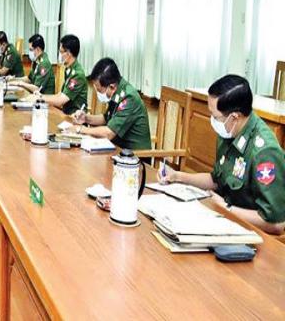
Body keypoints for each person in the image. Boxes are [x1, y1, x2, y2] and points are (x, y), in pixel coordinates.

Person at [158, 75, 285, 235]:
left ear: (235, 117)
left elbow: (276, 224)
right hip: (225, 220)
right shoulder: (229, 131)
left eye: (215, 117)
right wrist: (178, 177)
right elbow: (217, 180)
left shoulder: (264, 152)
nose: (213, 121)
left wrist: (227, 208)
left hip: (251, 233)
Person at [71, 58, 152, 150]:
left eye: (99, 90)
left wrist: (81, 129)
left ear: (112, 87)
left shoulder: (129, 98)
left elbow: (109, 133)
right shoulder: (118, 89)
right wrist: (86, 118)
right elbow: (107, 118)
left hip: (134, 155)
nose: (98, 93)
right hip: (117, 147)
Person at [39, 34, 87, 115]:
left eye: (61, 52)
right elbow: (60, 94)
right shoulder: (69, 69)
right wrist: (41, 96)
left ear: (68, 53)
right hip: (66, 113)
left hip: (75, 117)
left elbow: (60, 101)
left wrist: (39, 98)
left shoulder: (77, 74)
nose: (60, 55)